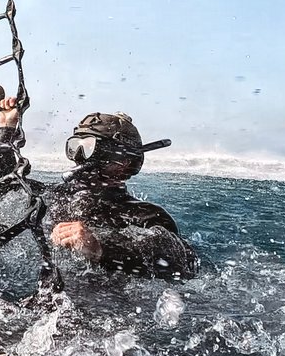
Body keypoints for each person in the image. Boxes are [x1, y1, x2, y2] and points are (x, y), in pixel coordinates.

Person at [45, 112, 198, 280]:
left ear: (123, 162)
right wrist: (10, 128)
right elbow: (15, 189)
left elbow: (179, 257)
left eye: (89, 148)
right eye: (75, 147)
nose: (79, 157)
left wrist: (100, 247)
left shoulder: (147, 215)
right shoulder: (58, 197)